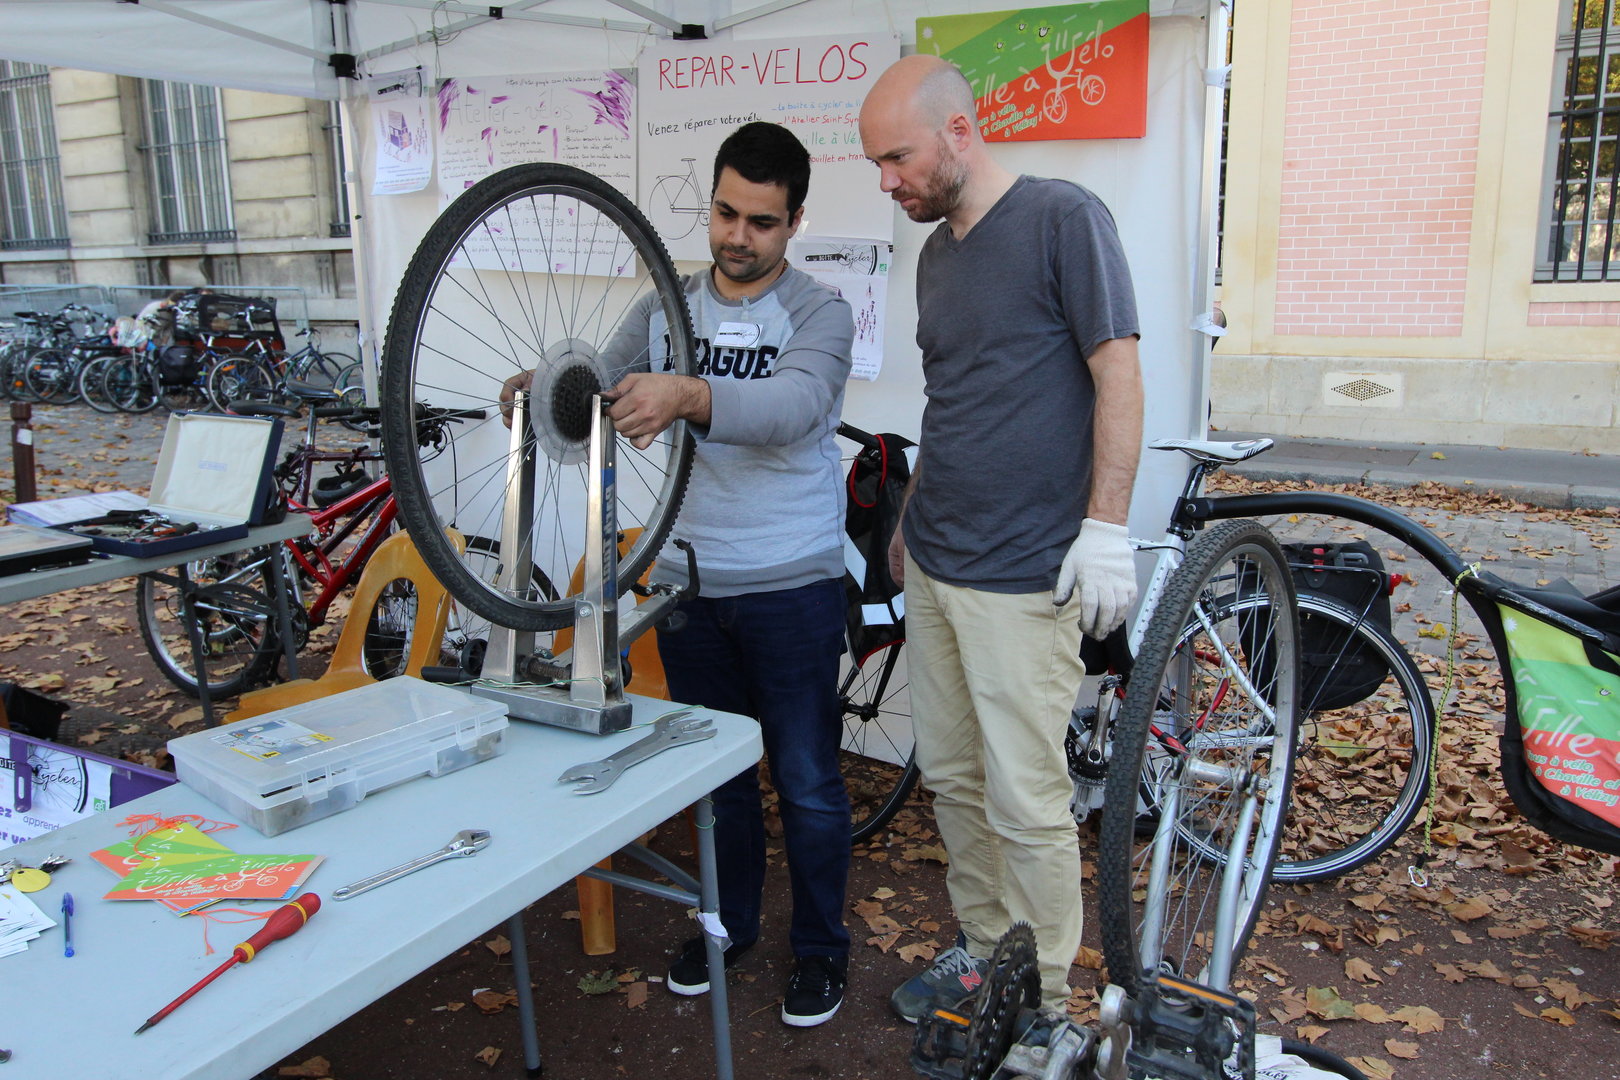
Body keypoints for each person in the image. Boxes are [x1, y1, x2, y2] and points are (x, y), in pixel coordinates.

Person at [501, 122, 856, 1027]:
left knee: (808, 782)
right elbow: (602, 380)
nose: (738, 236)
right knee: (720, 779)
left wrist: (689, 394)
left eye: (762, 222)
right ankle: (729, 929)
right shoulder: (664, 305)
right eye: (726, 213)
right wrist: (546, 387)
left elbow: (793, 406)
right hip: (691, 583)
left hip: (793, 583)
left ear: (796, 221)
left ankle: (821, 949)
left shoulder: (821, 313)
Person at [858, 55, 1145, 1017]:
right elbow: (954, 399)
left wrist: (1106, 527)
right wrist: (910, 518)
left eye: (897, 158)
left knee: (1025, 798)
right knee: (951, 777)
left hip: (1025, 573)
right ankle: (986, 952)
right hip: (939, 562)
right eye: (876, 164)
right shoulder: (937, 257)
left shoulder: (1066, 219)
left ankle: (1046, 1003)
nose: (886, 181)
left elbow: (1119, 375)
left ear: (960, 131)